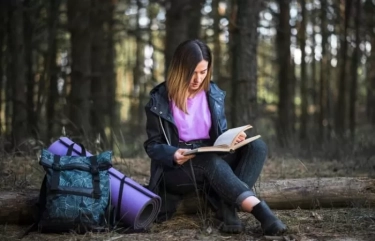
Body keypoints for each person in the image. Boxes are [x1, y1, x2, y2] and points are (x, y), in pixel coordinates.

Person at [143, 39, 286, 235]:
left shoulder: (213, 94)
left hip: (211, 155)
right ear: (179, 68)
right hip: (177, 168)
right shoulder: (159, 100)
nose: (198, 78)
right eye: (192, 72)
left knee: (257, 146)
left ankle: (226, 208)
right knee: (208, 161)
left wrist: (232, 139)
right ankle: (261, 212)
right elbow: (152, 146)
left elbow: (219, 135)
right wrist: (173, 153)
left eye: (203, 72)